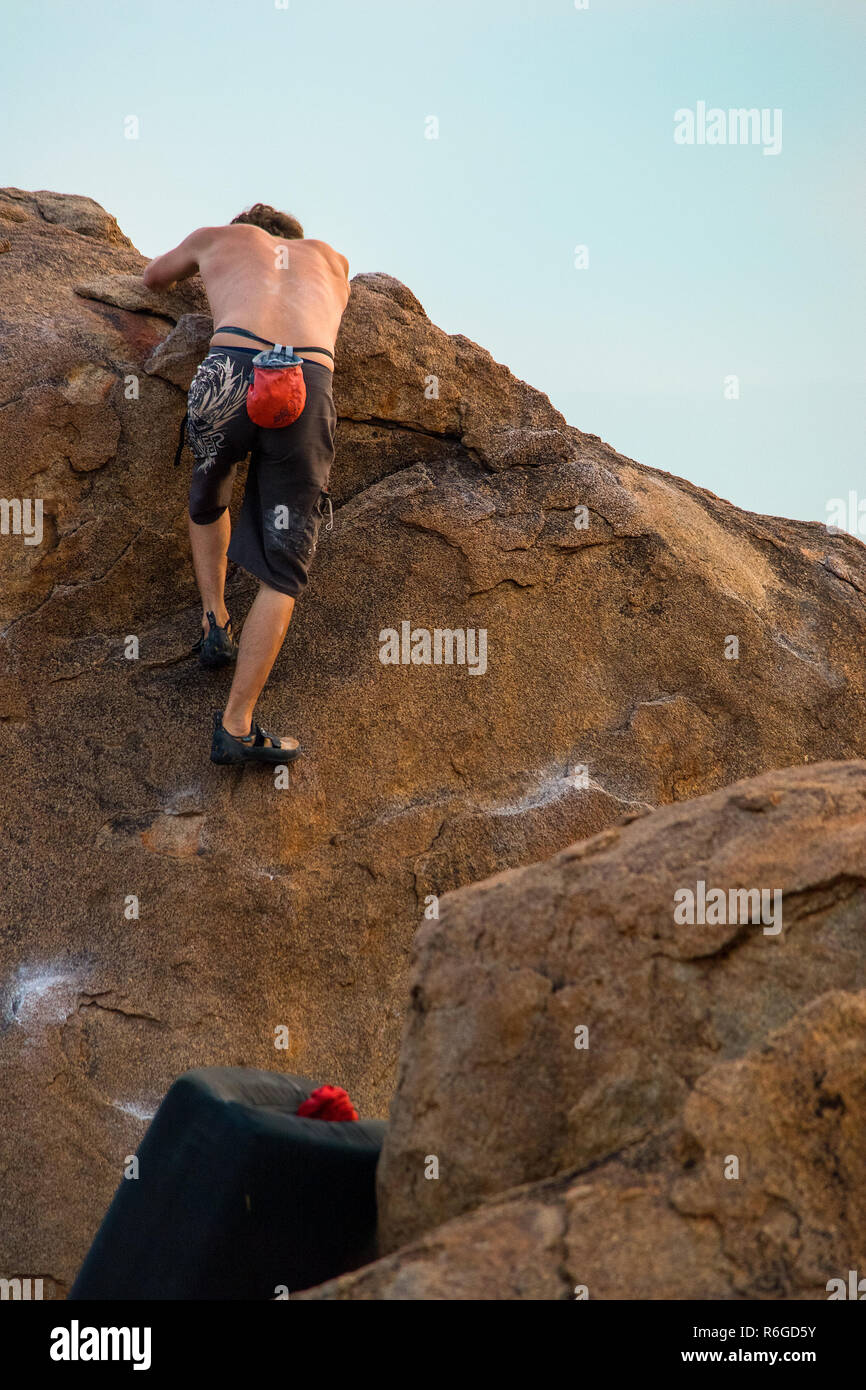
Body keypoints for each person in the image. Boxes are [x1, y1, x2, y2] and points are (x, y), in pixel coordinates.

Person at [142, 204, 350, 764]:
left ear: (246, 229)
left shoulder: (216, 238)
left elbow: (153, 278)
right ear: (295, 240)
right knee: (284, 570)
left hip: (228, 370)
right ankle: (235, 726)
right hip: (303, 380)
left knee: (209, 496)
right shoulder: (333, 260)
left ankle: (215, 619)